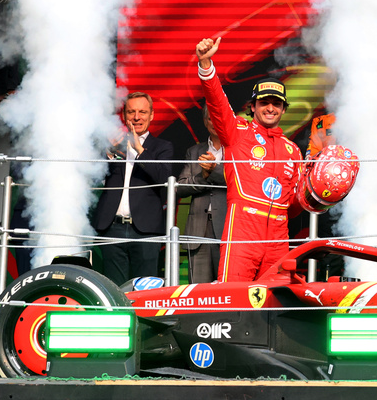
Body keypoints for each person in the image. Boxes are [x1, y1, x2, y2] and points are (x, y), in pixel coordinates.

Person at [194, 37, 312, 281]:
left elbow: (293, 206)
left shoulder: (293, 150)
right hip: (243, 230)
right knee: (233, 298)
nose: (270, 108)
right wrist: (206, 64)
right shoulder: (238, 131)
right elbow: (217, 103)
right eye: (264, 102)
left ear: (284, 109)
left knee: (276, 302)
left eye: (276, 104)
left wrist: (318, 192)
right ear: (253, 106)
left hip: (279, 236)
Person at [91, 92, 175, 285]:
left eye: (142, 112)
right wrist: (109, 154)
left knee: (145, 289)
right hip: (112, 228)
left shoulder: (162, 147)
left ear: (152, 115)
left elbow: (164, 178)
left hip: (146, 230)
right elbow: (93, 175)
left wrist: (140, 150)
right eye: (131, 112)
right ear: (124, 116)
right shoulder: (112, 145)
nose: (136, 117)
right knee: (113, 288)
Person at [177, 134, 227, 284]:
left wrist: (214, 170)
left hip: (227, 229)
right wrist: (203, 177)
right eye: (210, 118)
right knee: (197, 292)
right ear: (205, 121)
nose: (214, 121)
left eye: (217, 117)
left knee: (227, 291)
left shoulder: (237, 149)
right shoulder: (194, 151)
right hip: (198, 229)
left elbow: (240, 180)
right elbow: (181, 187)